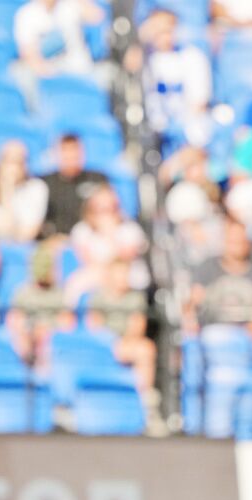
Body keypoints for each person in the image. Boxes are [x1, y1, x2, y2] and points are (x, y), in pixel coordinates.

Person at [141, 8, 214, 150]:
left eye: (167, 29)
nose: (162, 35)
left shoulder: (193, 57)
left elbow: (199, 104)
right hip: (150, 132)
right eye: (157, 29)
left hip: (185, 133)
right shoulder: (142, 59)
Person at [65, 185, 150, 304]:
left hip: (125, 275)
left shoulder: (130, 229)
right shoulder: (82, 230)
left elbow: (125, 258)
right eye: (101, 209)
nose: (107, 214)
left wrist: (110, 235)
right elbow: (86, 260)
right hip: (96, 274)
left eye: (111, 208)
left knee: (122, 277)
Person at [86, 259, 157, 395]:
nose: (123, 278)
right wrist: (109, 342)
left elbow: (137, 327)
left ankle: (144, 399)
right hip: (104, 344)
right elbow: (94, 326)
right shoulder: (98, 297)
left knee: (145, 349)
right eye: (120, 274)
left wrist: (123, 342)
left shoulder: (136, 298)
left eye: (126, 274)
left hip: (126, 343)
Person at [0, 141, 49, 244]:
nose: (16, 168)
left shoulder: (37, 188)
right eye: (11, 161)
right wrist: (7, 188)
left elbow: (28, 234)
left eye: (21, 161)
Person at [40, 134, 110, 239]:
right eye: (65, 151)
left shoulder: (97, 179)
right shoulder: (44, 183)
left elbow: (109, 210)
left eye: (74, 151)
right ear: (56, 154)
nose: (70, 156)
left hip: (91, 238)